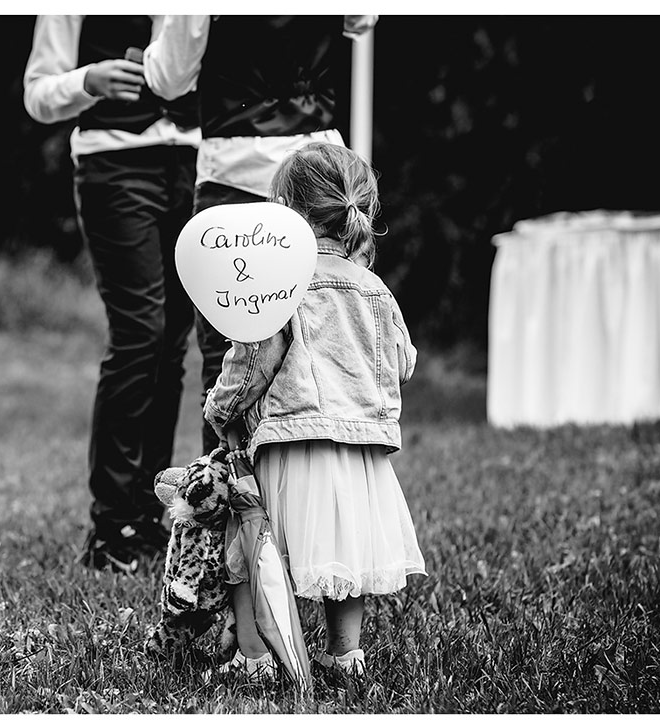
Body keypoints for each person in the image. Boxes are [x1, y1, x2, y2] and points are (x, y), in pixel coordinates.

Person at [204, 142, 426, 678]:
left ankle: (255, 656)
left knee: (252, 547)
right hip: (361, 453)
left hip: (291, 440)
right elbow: (403, 361)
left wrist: (222, 408)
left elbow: (257, 358)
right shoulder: (376, 288)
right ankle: (345, 655)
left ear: (285, 209)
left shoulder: (282, 282)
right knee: (341, 557)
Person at [144, 14, 376, 455]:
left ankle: (227, 514)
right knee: (329, 349)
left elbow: (168, 79)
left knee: (226, 364)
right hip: (319, 177)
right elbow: (361, 18)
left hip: (237, 180)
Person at [23, 16, 201, 573]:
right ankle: (111, 526)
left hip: (194, 161)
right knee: (139, 335)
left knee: (173, 341)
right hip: (114, 165)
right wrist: (87, 81)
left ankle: (151, 513)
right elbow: (37, 94)